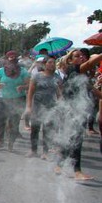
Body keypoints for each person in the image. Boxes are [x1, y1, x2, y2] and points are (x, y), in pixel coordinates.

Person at [54, 50, 102, 180]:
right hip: (70, 110)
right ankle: (77, 171)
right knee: (76, 139)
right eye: (77, 56)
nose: (81, 57)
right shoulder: (72, 69)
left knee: (70, 138)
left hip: (76, 111)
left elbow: (92, 89)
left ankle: (60, 165)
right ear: (70, 60)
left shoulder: (82, 75)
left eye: (82, 56)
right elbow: (89, 63)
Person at [0, 51, 30, 151]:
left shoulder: (23, 71)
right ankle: (1, 141)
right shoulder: (1, 71)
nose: (12, 60)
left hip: (18, 100)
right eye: (10, 59)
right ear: (7, 60)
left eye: (14, 58)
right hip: (3, 99)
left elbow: (30, 85)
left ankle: (11, 144)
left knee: (14, 123)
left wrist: (23, 87)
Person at [25, 56, 61, 159]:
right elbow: (30, 92)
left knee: (48, 130)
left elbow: (59, 94)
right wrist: (28, 106)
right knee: (35, 129)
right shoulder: (37, 76)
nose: (52, 65)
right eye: (49, 62)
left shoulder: (57, 77)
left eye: (53, 63)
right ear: (44, 64)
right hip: (37, 106)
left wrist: (60, 106)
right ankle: (33, 150)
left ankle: (46, 152)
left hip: (51, 107)